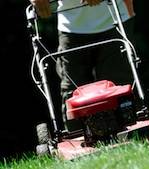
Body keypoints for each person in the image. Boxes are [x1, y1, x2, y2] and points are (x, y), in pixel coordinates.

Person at [29, 0, 135, 131]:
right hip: (71, 27)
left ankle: (131, 129)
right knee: (72, 90)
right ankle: (77, 137)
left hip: (115, 19)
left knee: (119, 83)